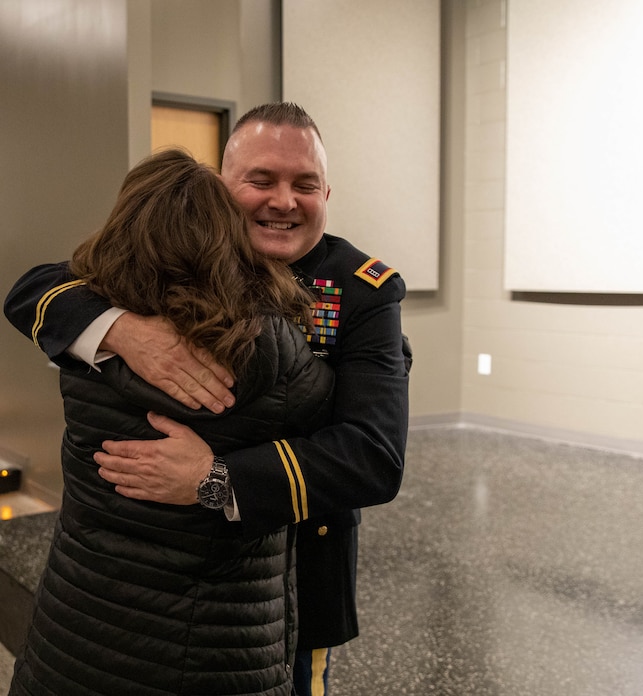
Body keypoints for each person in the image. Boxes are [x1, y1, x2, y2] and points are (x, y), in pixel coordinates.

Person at [3, 102, 410, 696]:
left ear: (328, 192)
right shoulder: (180, 255)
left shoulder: (363, 290)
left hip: (302, 561)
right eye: (261, 180)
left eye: (305, 185)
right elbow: (33, 290)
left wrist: (215, 477)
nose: (284, 201)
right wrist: (120, 330)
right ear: (224, 188)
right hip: (152, 586)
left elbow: (373, 456)